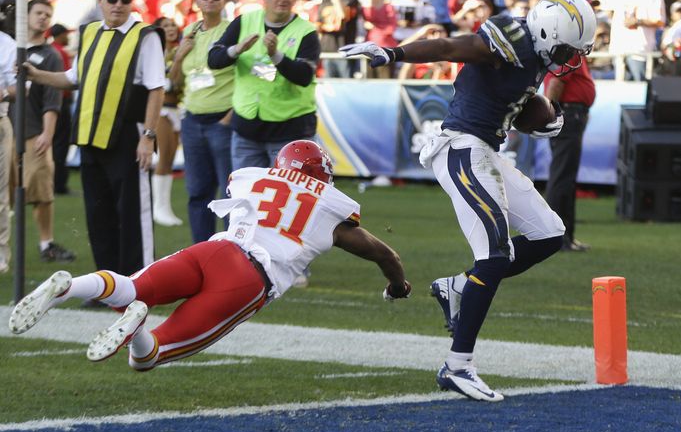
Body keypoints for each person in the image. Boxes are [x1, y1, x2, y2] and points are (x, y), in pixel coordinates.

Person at [341, 0, 595, 401]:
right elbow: (449, 47)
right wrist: (393, 53)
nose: (571, 59)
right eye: (568, 49)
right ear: (548, 33)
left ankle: (458, 286)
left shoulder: (535, 58)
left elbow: (517, 104)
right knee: (494, 257)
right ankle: (457, 366)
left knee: (549, 234)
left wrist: (547, 115)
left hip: (487, 151)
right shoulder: (514, 36)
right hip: (461, 147)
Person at [9, 140, 411, 372]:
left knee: (130, 287)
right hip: (248, 280)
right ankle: (138, 330)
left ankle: (70, 287)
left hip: (216, 249)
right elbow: (384, 254)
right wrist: (398, 286)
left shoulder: (253, 178)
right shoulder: (331, 211)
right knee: (148, 357)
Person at [24, 0, 166, 278]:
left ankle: (138, 284)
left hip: (127, 135)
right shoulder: (89, 32)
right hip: (89, 136)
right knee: (98, 216)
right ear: (100, 0)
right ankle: (107, 285)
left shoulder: (146, 36)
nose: (119, 4)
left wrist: (149, 136)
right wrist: (36, 75)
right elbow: (73, 78)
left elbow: (156, 88)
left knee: (132, 215)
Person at [207, 0, 321, 172]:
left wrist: (275, 55)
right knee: (245, 191)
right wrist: (237, 49)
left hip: (290, 132)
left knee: (288, 192)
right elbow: (214, 59)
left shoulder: (306, 31)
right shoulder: (244, 22)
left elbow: (304, 76)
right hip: (247, 130)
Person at [169, 0, 235, 244]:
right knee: (197, 193)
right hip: (193, 121)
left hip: (222, 120)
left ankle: (233, 253)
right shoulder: (190, 32)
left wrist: (229, 118)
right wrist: (178, 57)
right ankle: (201, 253)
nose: (210, 1)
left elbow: (247, 78)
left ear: (224, 0)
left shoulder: (232, 31)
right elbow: (174, 82)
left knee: (230, 196)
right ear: (196, 1)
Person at [12, 0, 75, 263]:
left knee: (42, 193)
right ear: (25, 15)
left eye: (48, 14)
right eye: (38, 13)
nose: (43, 18)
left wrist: (47, 134)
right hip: (5, 132)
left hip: (33, 133)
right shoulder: (8, 47)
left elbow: (53, 100)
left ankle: (46, 244)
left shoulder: (50, 55)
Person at [543, 54, 596, 252]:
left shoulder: (569, 51)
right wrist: (548, 116)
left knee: (565, 178)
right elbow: (556, 82)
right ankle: (556, 238)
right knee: (562, 178)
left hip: (569, 115)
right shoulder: (569, 50)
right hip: (568, 115)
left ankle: (565, 237)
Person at [151, 16, 183, 227]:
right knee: (163, 158)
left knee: (170, 158)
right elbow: (167, 84)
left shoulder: (179, 50)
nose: (170, 29)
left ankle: (165, 207)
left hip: (177, 109)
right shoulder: (155, 54)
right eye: (165, 26)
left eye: (172, 25)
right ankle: (158, 208)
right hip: (161, 109)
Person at [48, 23, 74, 195]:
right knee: (60, 145)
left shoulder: (50, 50)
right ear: (60, 35)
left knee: (53, 144)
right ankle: (59, 185)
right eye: (66, 34)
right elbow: (67, 80)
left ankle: (52, 183)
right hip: (61, 102)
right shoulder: (59, 52)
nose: (68, 37)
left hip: (50, 103)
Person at [0, 28, 16, 274]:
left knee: (0, 193)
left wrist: (2, 92)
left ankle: (0, 253)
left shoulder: (6, 44)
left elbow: (21, 86)